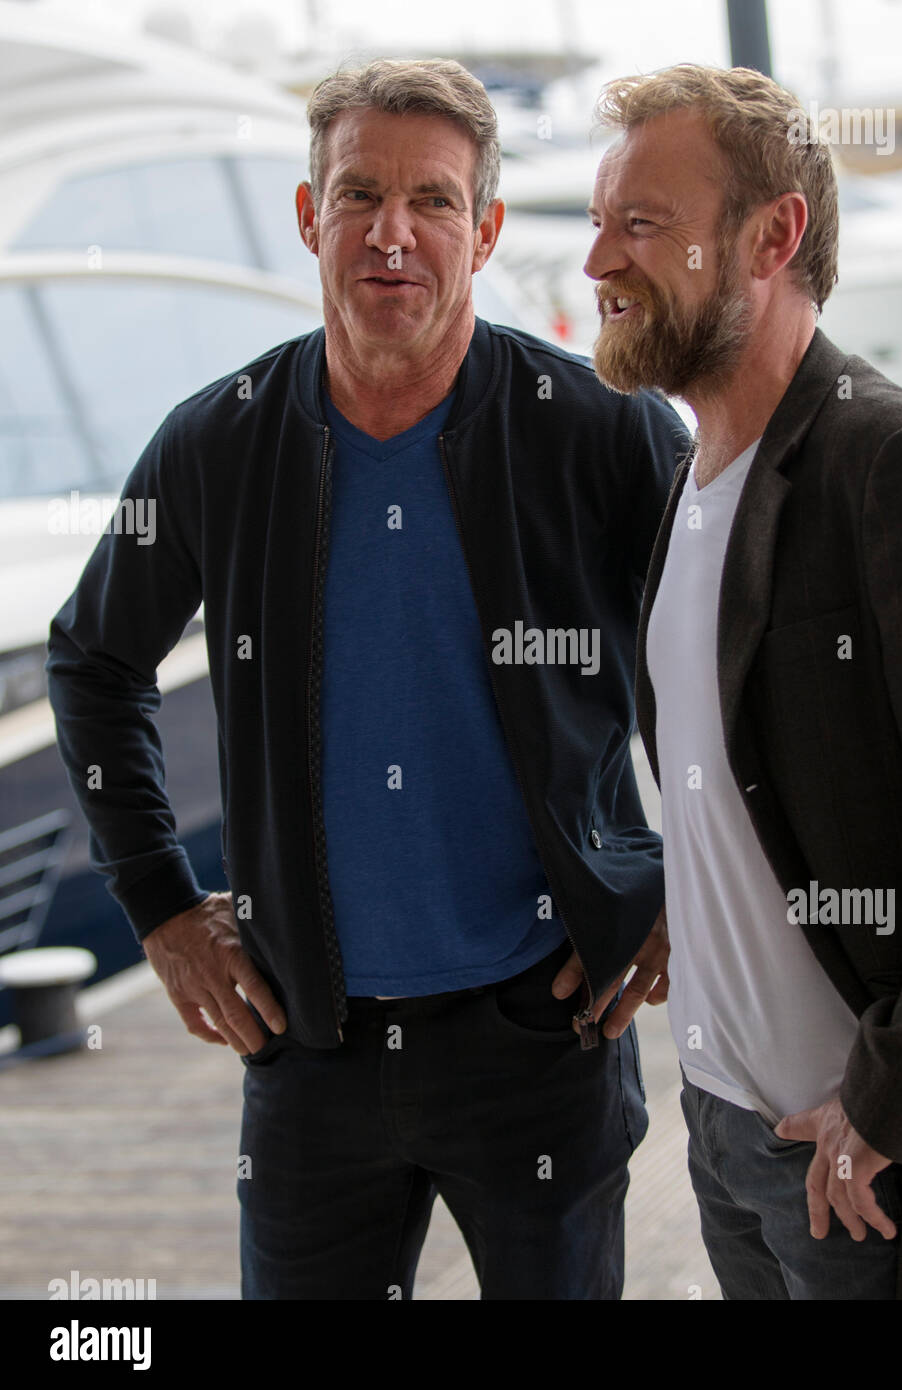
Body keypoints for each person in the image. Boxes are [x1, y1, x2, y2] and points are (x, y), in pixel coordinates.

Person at [46, 58, 686, 1301]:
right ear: (308, 217)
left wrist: (685, 887)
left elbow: (719, 666)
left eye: (435, 202)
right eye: (360, 196)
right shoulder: (216, 440)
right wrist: (162, 908)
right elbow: (93, 658)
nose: (394, 234)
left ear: (486, 230)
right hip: (309, 1046)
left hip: (541, 1027)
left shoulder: (598, 430)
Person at [583, 62, 902, 1300]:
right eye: (600, 221)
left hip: (877, 1166)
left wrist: (891, 1101)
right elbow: (738, 770)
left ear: (773, 235)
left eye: (640, 223)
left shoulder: (899, 461)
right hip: (723, 1134)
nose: (597, 260)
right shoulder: (690, 477)